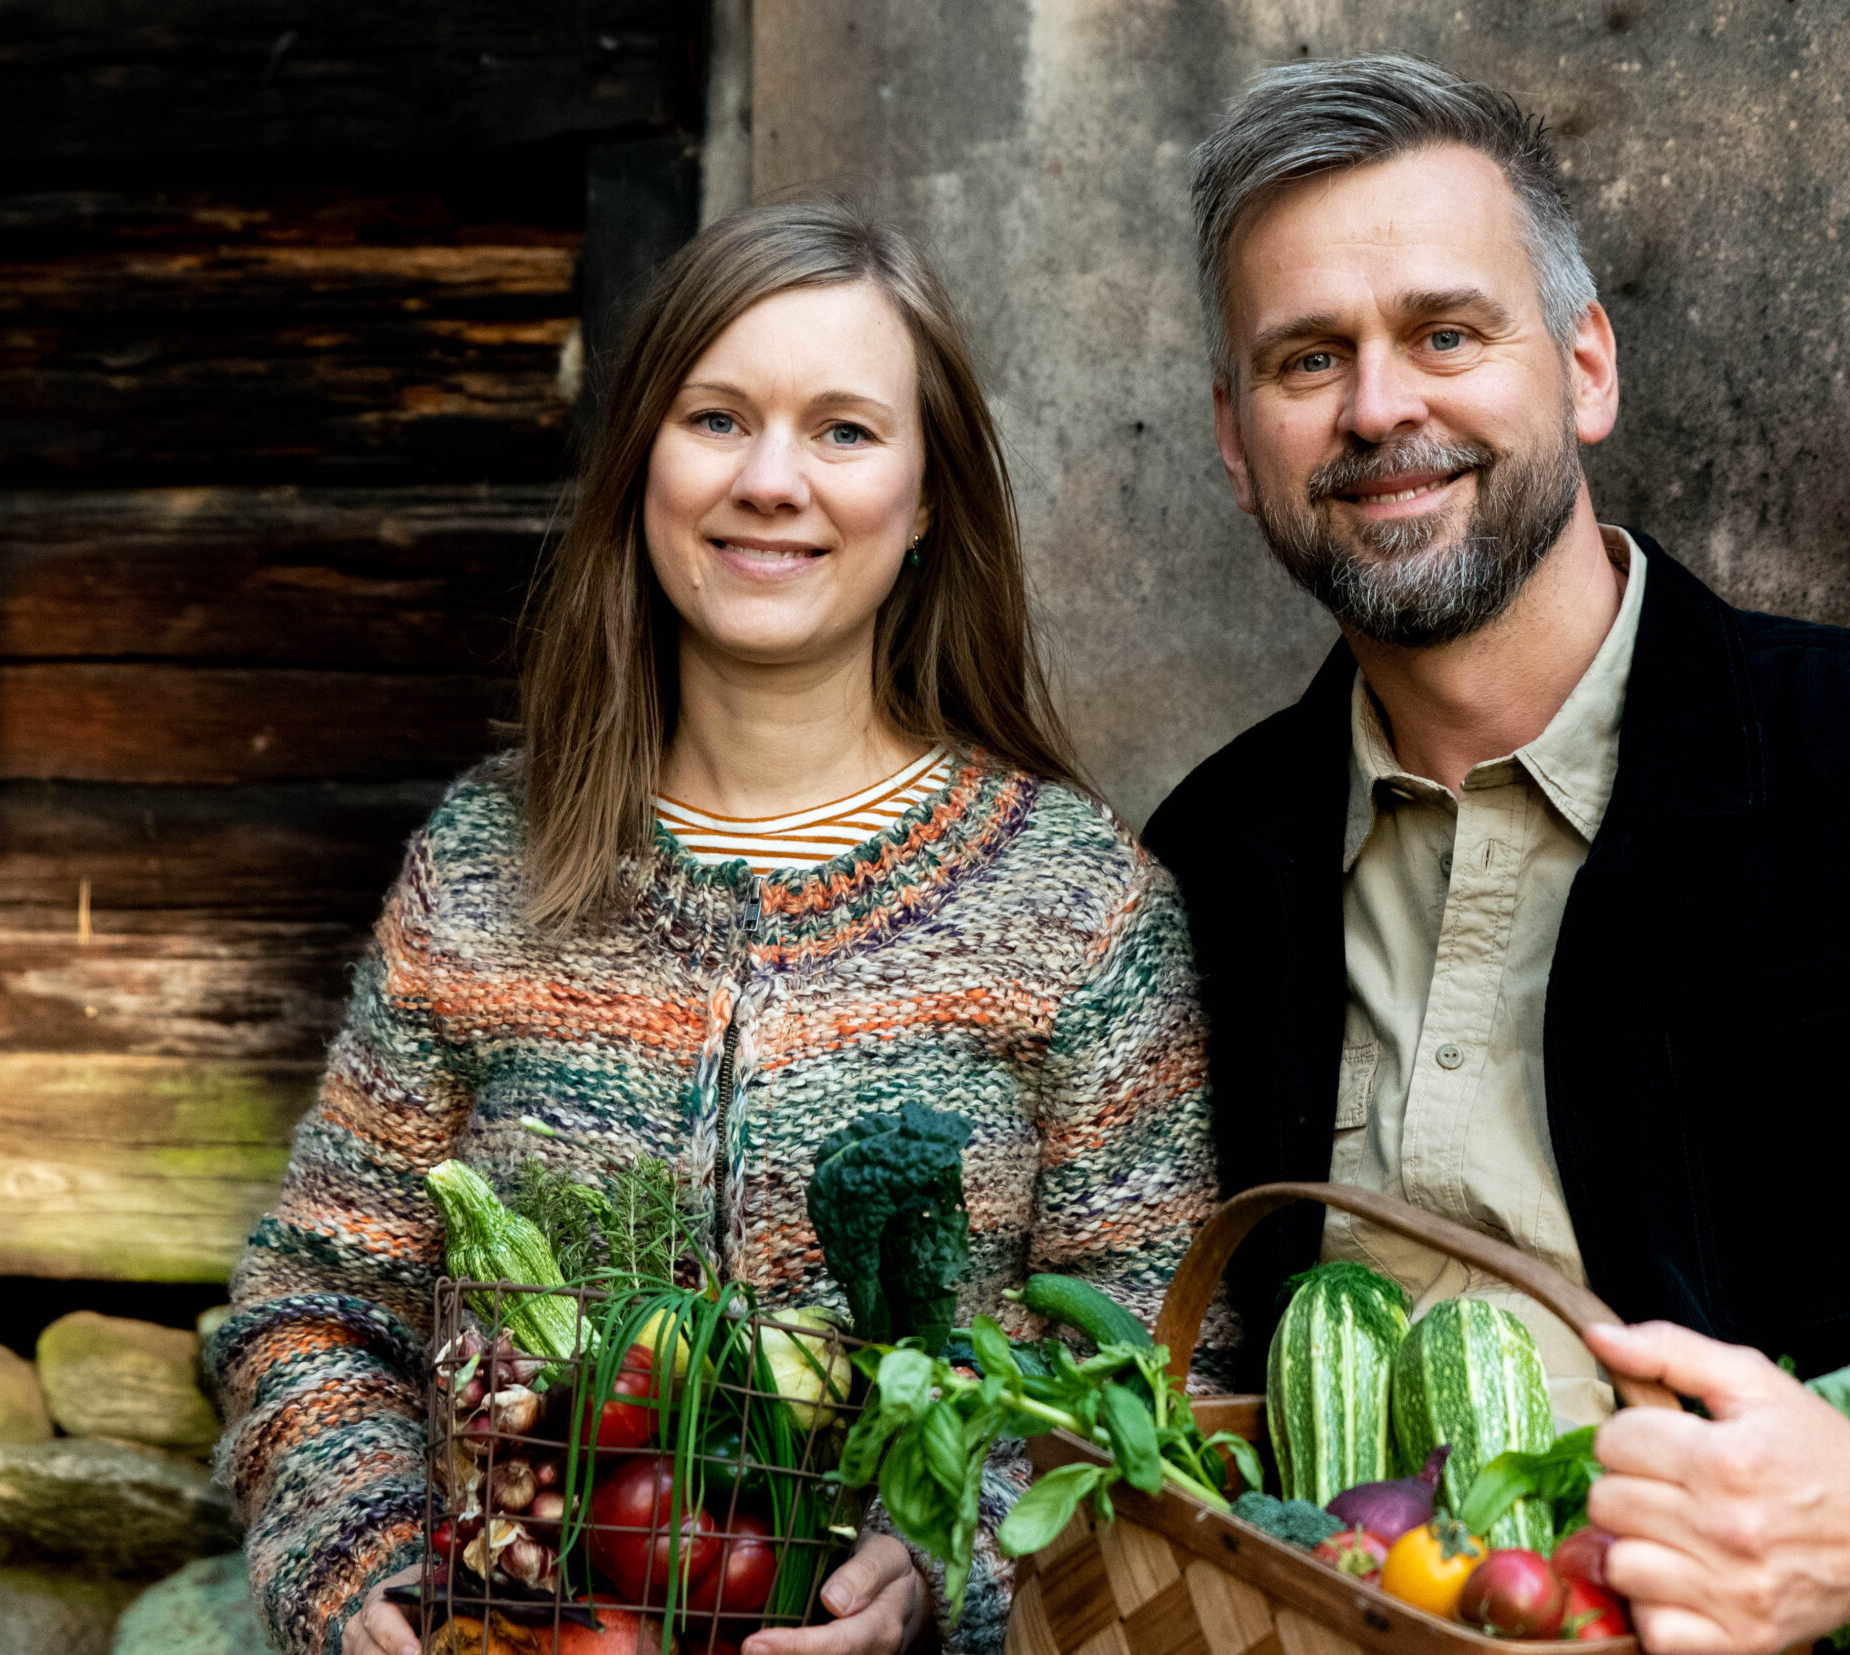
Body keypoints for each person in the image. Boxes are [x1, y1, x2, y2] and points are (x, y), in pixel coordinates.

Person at [1145, 54, 1850, 1655]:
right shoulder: (1213, 861)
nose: (1381, 407)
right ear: (1240, 445)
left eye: (1447, 333)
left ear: (1584, 367)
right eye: (1308, 359)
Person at [207, 202, 1229, 1655]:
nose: (770, 481)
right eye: (718, 418)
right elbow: (316, 1302)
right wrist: (360, 1558)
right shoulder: (487, 864)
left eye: (843, 431)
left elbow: (1148, 1371)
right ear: (641, 468)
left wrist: (954, 1561)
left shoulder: (1076, 905)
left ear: (931, 497)